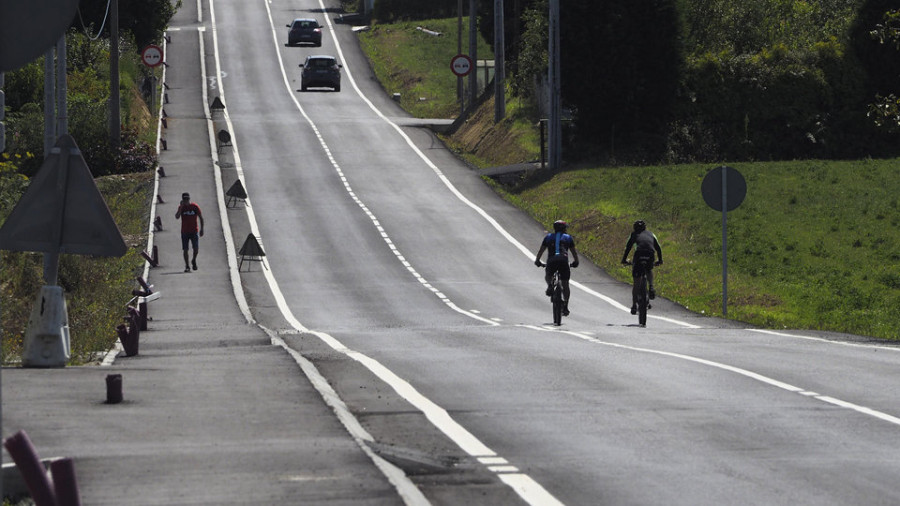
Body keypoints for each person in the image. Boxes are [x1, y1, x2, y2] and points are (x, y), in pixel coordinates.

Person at [534, 220, 580, 316]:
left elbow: (541, 251)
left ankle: (550, 286)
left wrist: (537, 261)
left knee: (548, 275)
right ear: (564, 229)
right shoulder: (568, 238)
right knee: (565, 284)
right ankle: (566, 306)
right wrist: (576, 262)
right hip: (564, 261)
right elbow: (574, 252)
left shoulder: (548, 237)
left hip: (552, 260)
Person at [621, 220, 663, 314]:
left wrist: (624, 260)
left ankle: (634, 306)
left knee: (636, 282)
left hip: (639, 254)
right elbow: (658, 247)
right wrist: (660, 260)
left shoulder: (633, 234)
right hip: (650, 253)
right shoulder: (651, 234)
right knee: (649, 269)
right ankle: (651, 286)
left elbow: (628, 248)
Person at [175, 192, 204, 273]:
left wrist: (202, 229)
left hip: (194, 231)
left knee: (196, 249)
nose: (186, 201)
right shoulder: (181, 207)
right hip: (184, 231)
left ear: (189, 199)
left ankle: (194, 260)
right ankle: (187, 266)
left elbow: (201, 218)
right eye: (184, 199)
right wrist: (181, 207)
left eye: (187, 199)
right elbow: (177, 217)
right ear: (182, 200)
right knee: (185, 249)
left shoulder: (194, 207)